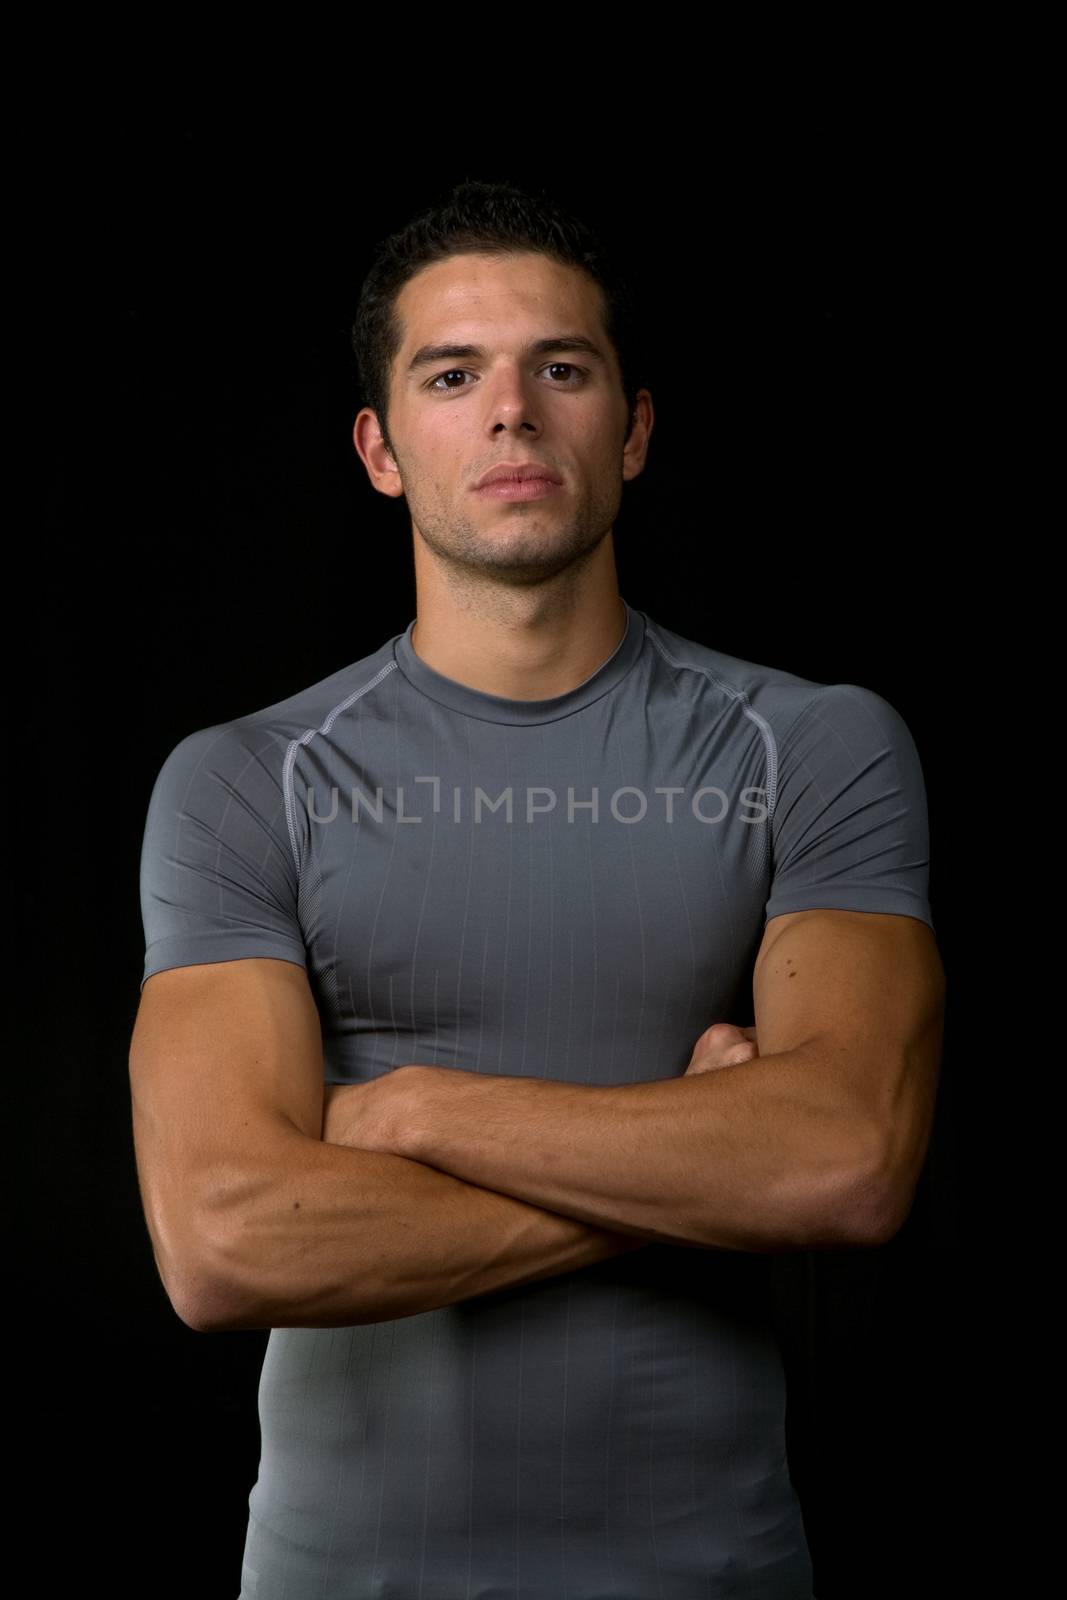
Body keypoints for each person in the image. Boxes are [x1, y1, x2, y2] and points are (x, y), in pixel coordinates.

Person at [129, 178, 945, 1599]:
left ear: (630, 431)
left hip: (712, 1572)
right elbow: (224, 1239)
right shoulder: (245, 779)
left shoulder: (813, 746)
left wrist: (410, 1114)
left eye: (560, 369)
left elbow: (847, 1159)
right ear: (381, 451)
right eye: (454, 375)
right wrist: (694, 1160)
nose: (511, 411)